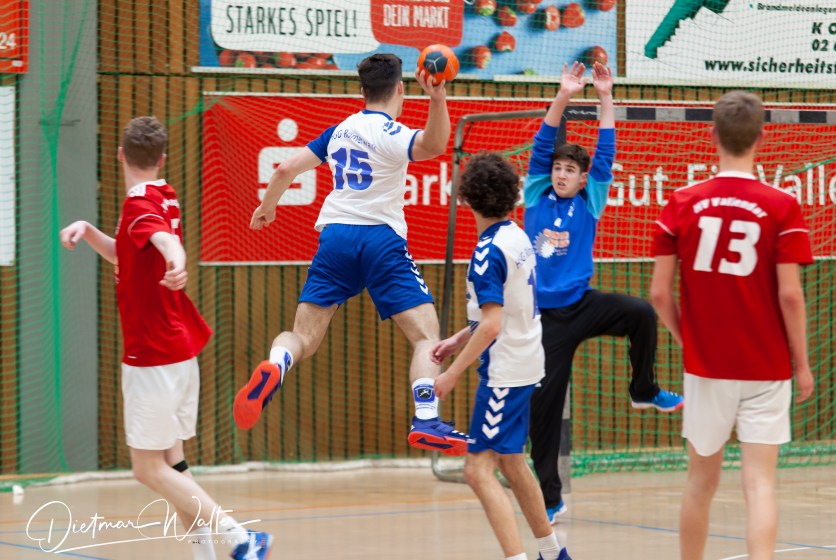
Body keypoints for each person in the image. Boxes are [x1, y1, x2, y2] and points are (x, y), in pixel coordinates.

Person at [233, 53, 468, 456]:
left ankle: (275, 364)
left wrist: (267, 207)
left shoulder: (339, 131)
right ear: (400, 89)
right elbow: (434, 145)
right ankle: (427, 419)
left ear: (362, 91)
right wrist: (438, 97)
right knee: (426, 337)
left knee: (303, 337)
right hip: (381, 240)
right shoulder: (391, 132)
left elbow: (285, 168)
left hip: (336, 238)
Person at [60, 116, 273, 560]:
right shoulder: (162, 193)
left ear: (120, 155)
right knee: (174, 467)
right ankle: (207, 556)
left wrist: (177, 260)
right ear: (161, 159)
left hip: (152, 356)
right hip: (177, 351)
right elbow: (130, 252)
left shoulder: (140, 205)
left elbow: (161, 240)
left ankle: (241, 537)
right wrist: (89, 229)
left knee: (146, 469)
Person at [650, 90, 814, 560]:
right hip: (766, 366)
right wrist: (802, 364)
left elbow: (659, 293)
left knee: (700, 483)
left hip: (708, 367)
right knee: (760, 485)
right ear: (762, 138)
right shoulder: (782, 205)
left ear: (712, 135)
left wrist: (689, 340)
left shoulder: (682, 201)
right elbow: (790, 295)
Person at [524, 61, 685, 522]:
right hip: (545, 320)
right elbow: (542, 144)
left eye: (570, 170)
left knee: (641, 313)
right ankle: (550, 497)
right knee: (544, 413)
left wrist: (605, 96)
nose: (561, 174)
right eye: (557, 168)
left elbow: (606, 151)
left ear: (582, 179)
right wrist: (564, 95)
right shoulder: (535, 195)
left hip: (583, 305)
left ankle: (644, 390)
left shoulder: (589, 202)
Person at [431, 151, 570, 560]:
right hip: (527, 360)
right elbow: (505, 310)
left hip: (505, 372)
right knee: (511, 461)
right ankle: (553, 553)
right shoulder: (516, 236)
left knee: (477, 471)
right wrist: (460, 339)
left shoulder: (486, 253)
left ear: (466, 199)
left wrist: (452, 373)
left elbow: (492, 325)